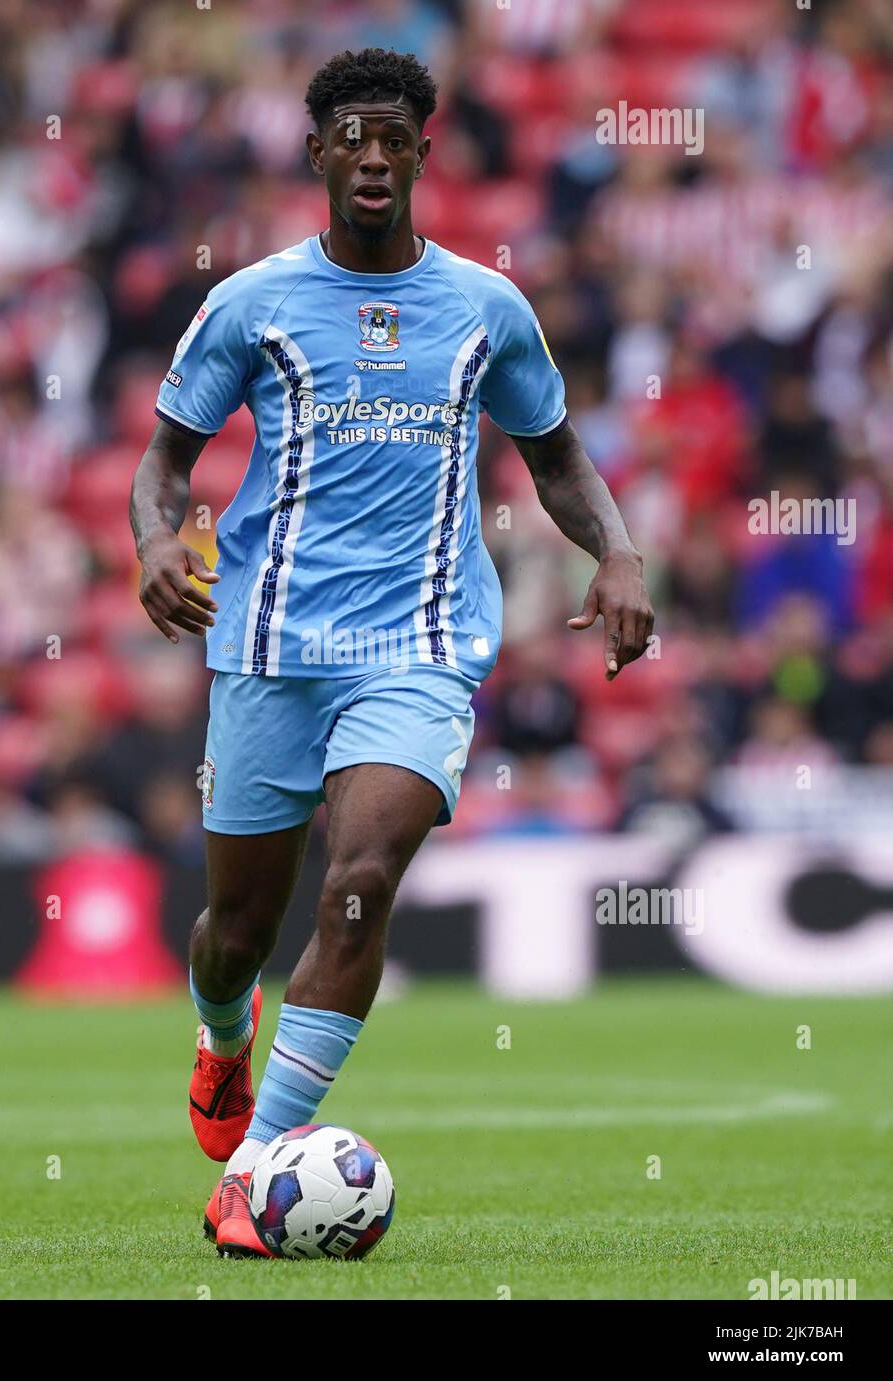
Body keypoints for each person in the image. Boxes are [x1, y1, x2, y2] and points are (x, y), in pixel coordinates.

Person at [130, 48, 653, 1258]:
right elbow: (164, 461)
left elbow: (557, 457)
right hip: (267, 645)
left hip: (417, 648)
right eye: (350, 137)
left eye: (394, 137)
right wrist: (159, 541)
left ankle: (255, 1173)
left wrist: (617, 553)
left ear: (424, 151)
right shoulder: (253, 300)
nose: (372, 155)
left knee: (360, 877)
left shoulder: (485, 309)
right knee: (234, 930)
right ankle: (221, 1040)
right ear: (315, 153)